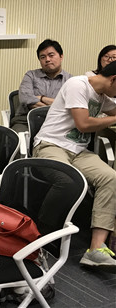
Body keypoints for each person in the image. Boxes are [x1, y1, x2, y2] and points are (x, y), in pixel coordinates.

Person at [33, 61, 116, 272]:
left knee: (111, 178)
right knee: (69, 181)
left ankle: (96, 249)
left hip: (78, 151)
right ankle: (38, 237)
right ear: (113, 80)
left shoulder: (102, 96)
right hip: (51, 145)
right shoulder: (78, 84)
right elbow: (84, 124)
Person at [11, 39, 72, 133]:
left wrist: (42, 98)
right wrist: (55, 107)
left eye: (51, 55)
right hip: (25, 121)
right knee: (18, 137)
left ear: (61, 56)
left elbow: (69, 105)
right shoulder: (31, 75)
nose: (47, 59)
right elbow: (25, 99)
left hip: (58, 123)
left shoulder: (70, 80)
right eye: (43, 57)